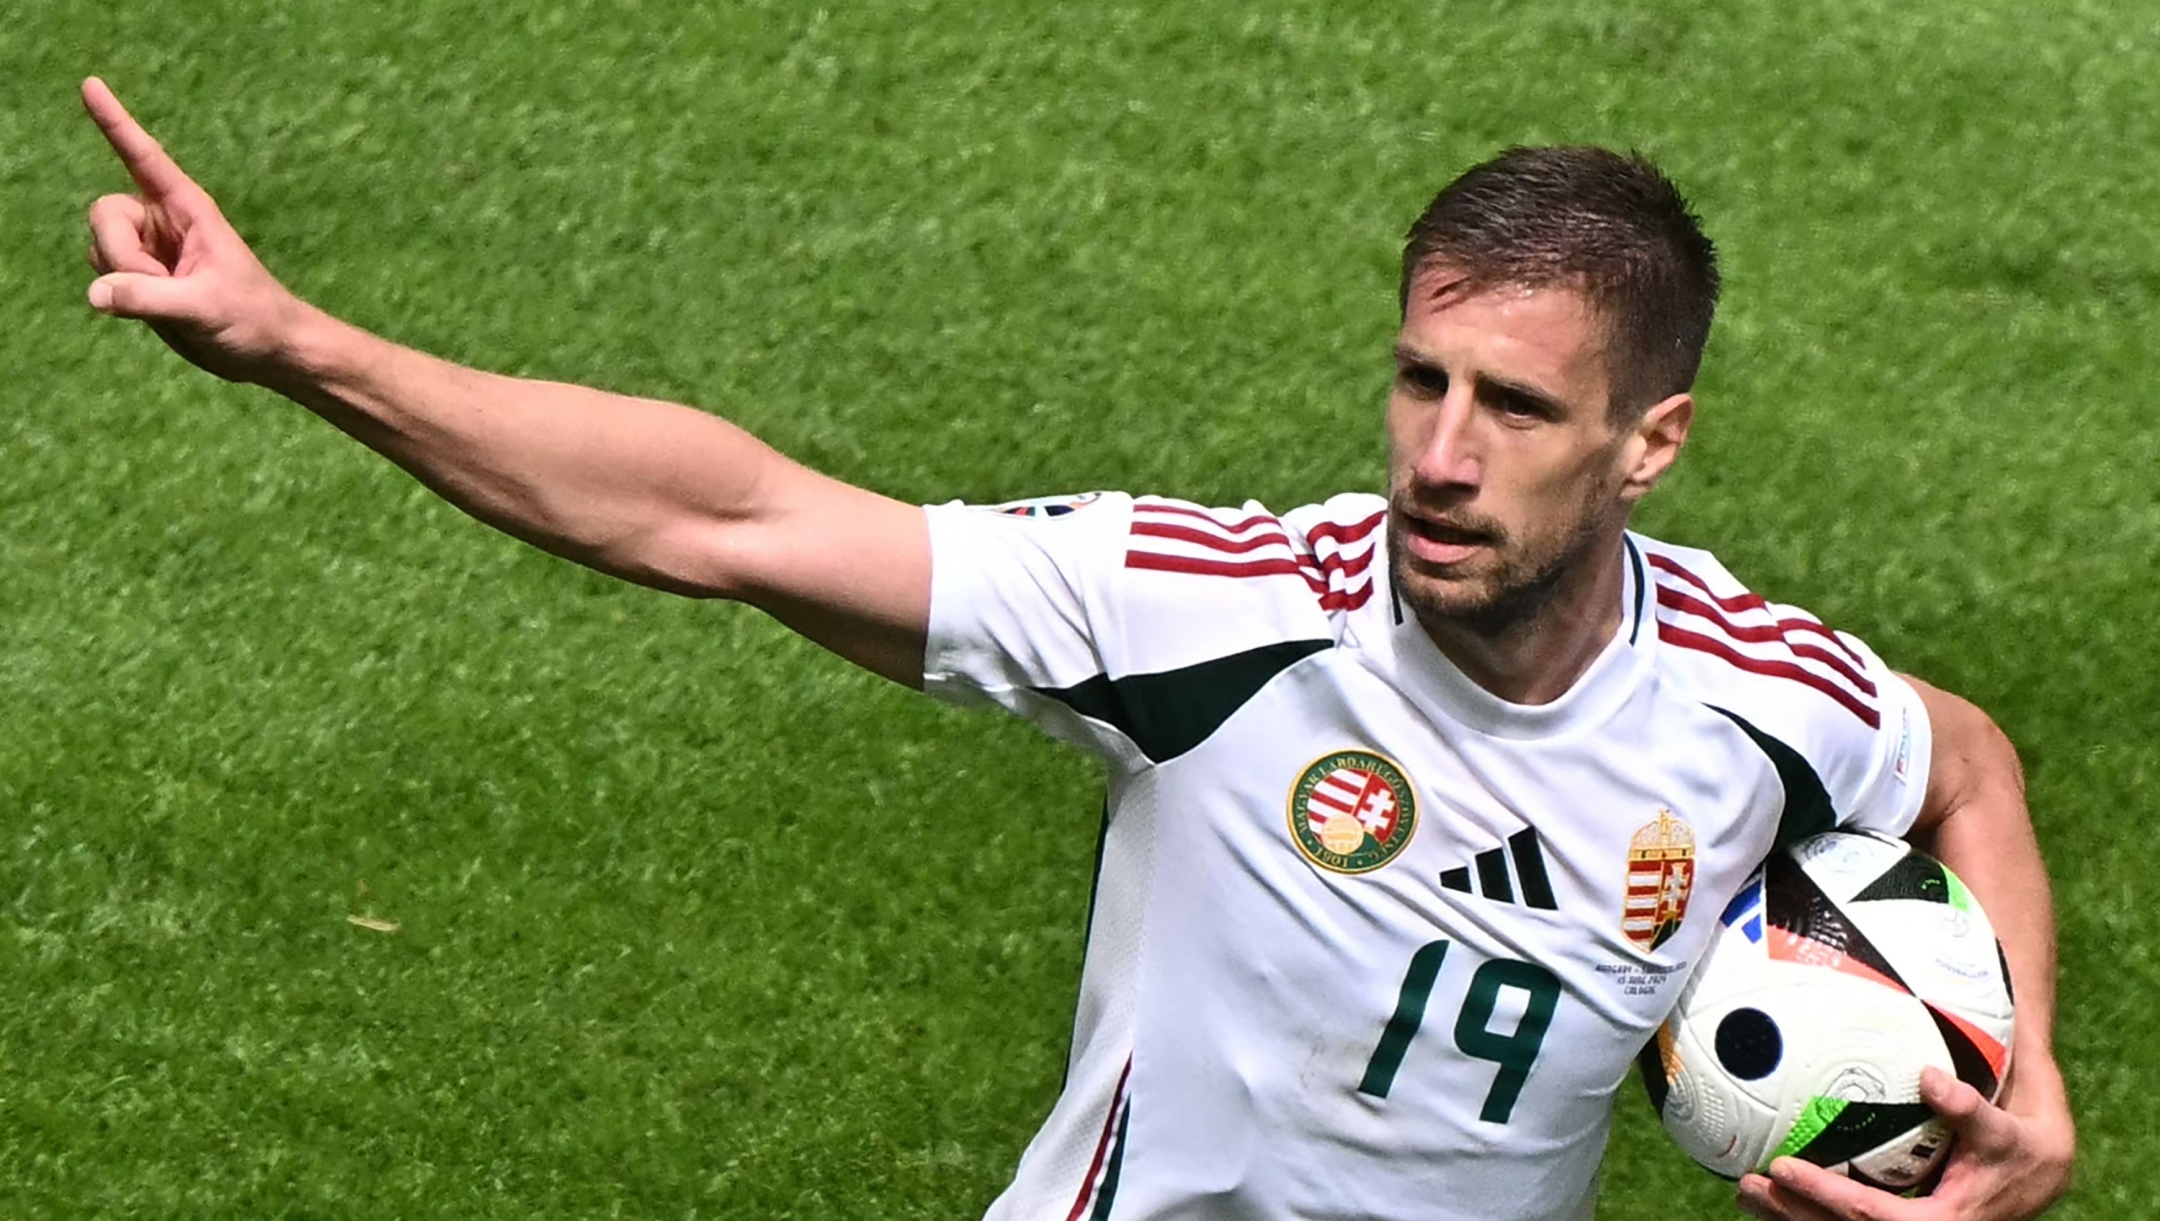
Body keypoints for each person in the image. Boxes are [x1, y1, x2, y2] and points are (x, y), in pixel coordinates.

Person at [77, 76, 2072, 1221]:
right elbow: (727, 514)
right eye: (1418, 380)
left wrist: (2021, 1074)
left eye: (1518, 410)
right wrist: (302, 349)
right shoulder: (1211, 613)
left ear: (1652, 440)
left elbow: (1965, 766)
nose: (1439, 458)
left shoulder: (1756, 693)